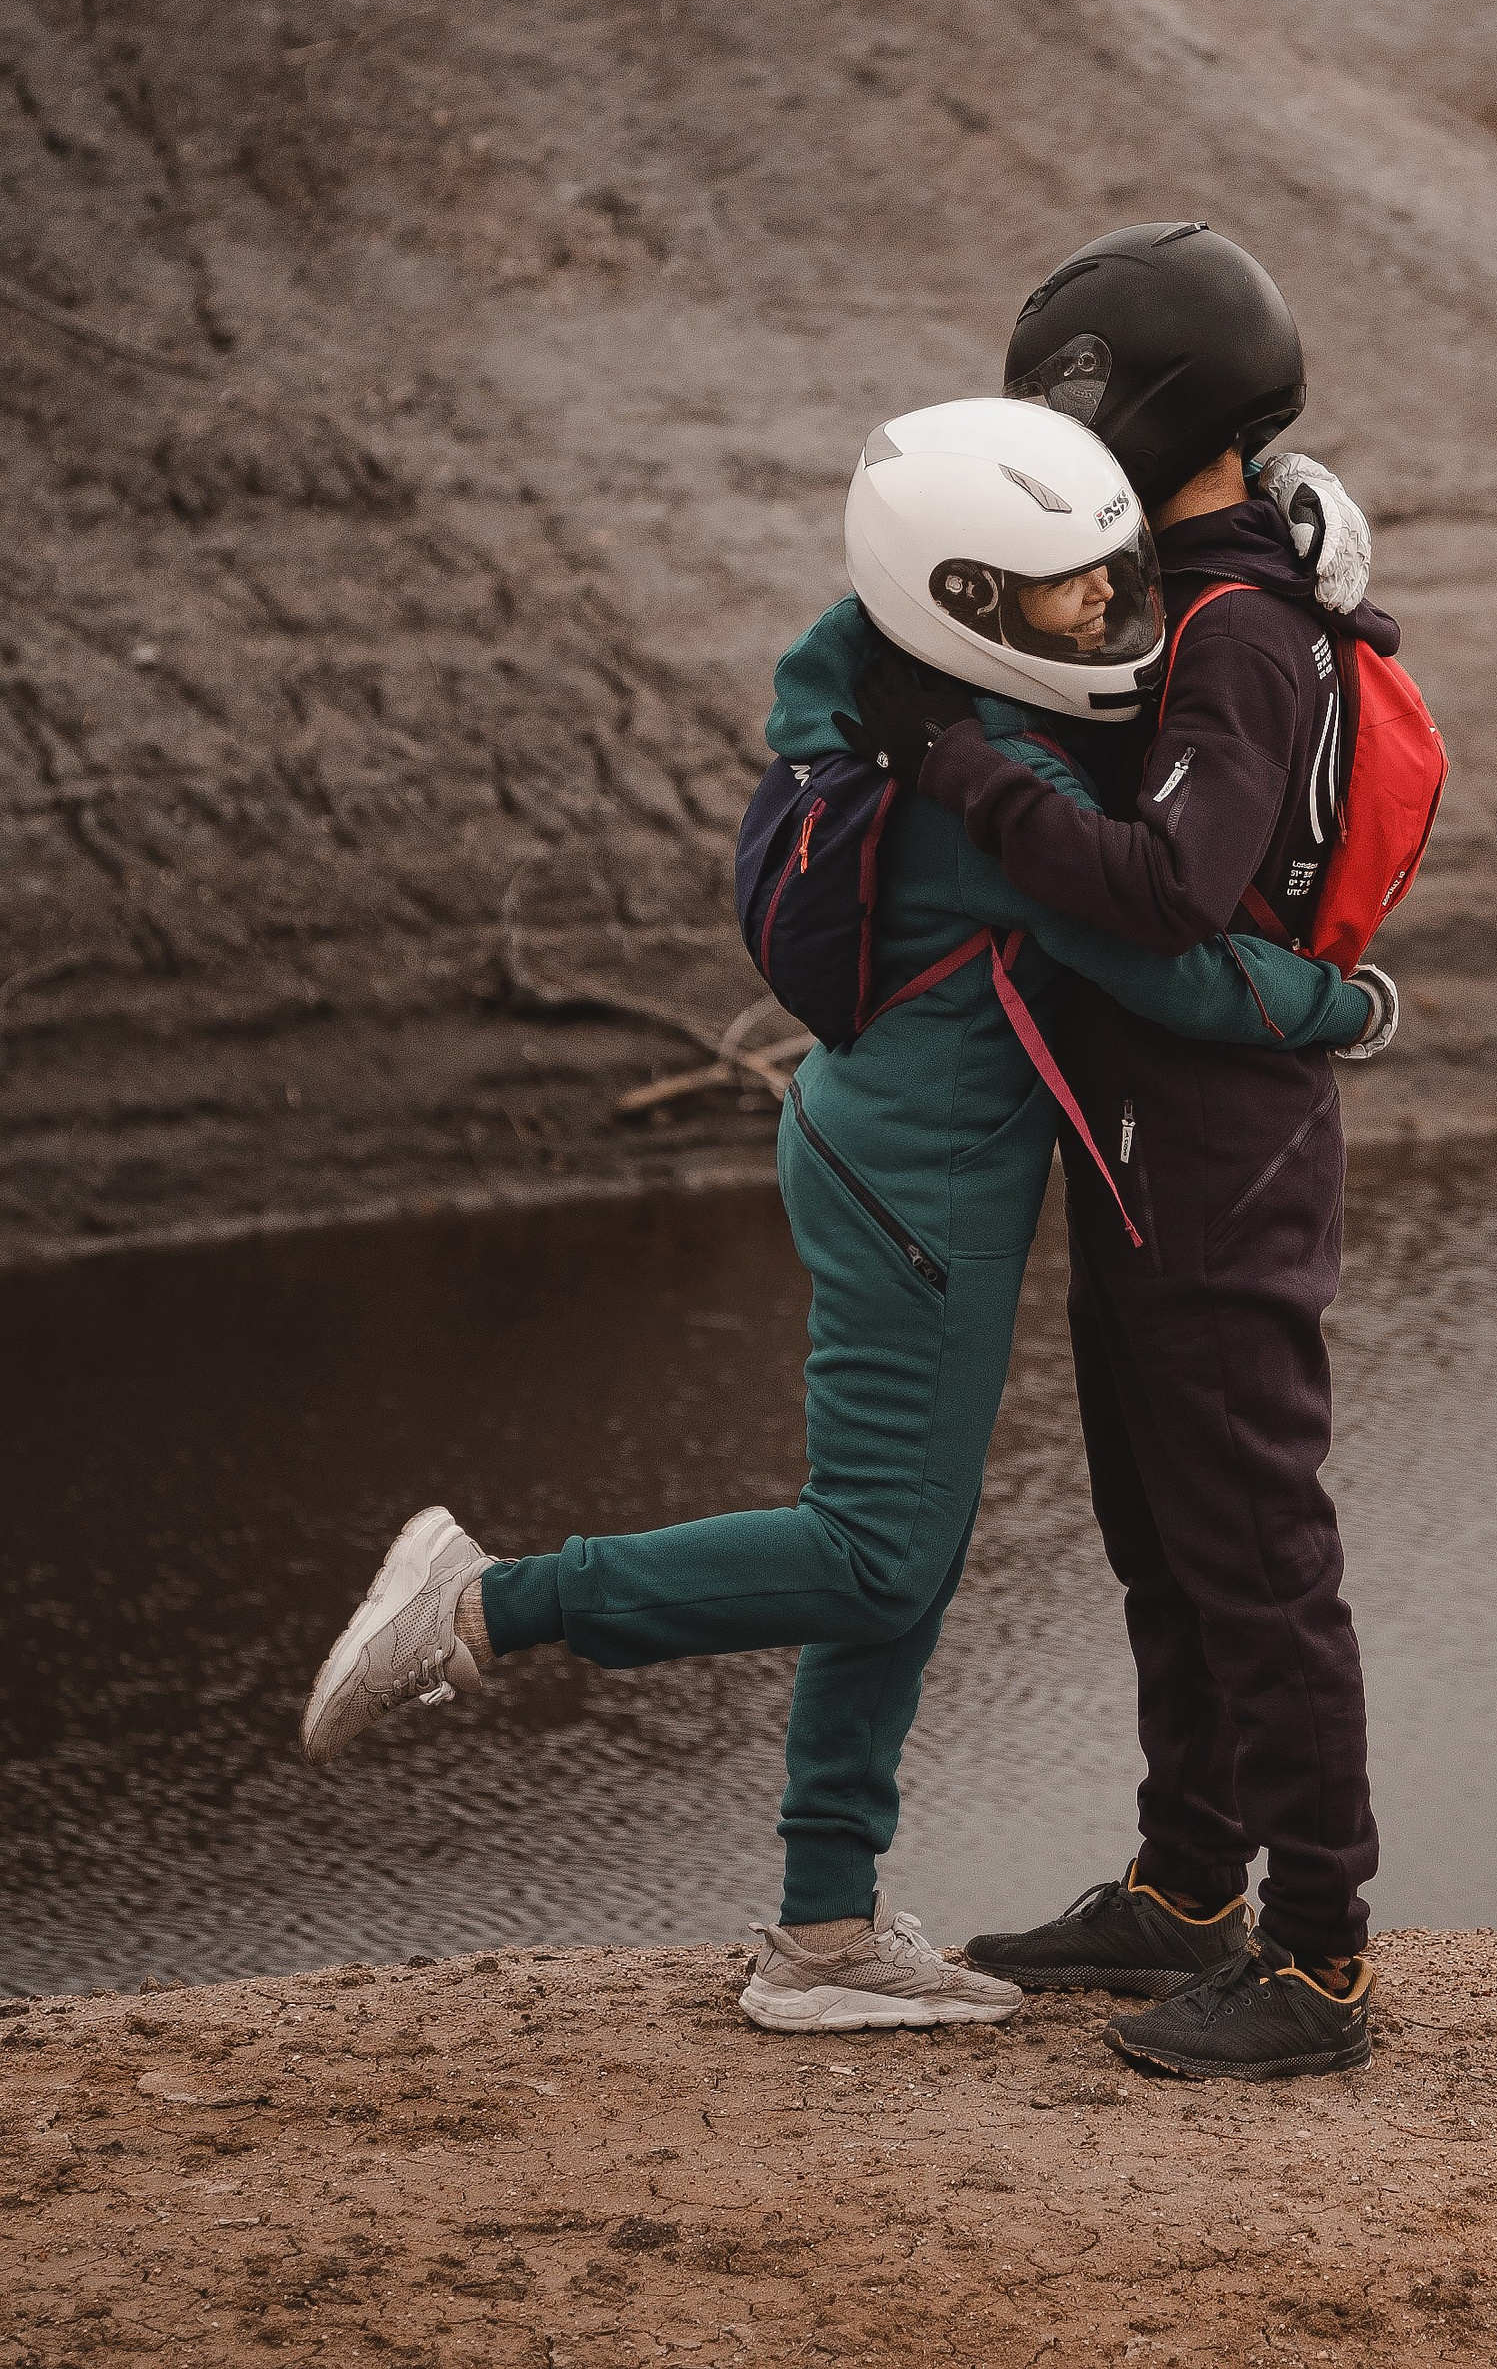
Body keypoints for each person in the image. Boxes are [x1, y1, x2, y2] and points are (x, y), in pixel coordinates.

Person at [295, 395, 1389, 2037]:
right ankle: (478, 1607)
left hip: (887, 1152)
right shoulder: (988, 773)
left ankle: (821, 1926)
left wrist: (1283, 517)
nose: (1107, 609)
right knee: (878, 1553)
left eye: (1107, 575)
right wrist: (1347, 1009)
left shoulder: (890, 682)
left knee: (901, 1552)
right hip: (919, 1188)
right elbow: (1172, 959)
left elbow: (986, 522)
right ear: (964, 603)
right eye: (1067, 593)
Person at [847, 225, 1404, 2083]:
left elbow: (1170, 889)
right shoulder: (1217, 584)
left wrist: (954, 766)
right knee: (1164, 1535)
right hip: (1155, 1136)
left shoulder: (1243, 633)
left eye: (1073, 398)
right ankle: (1185, 1887)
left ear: (1151, 401)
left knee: (1254, 1546)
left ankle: (1317, 1957)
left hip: (1219, 1150)